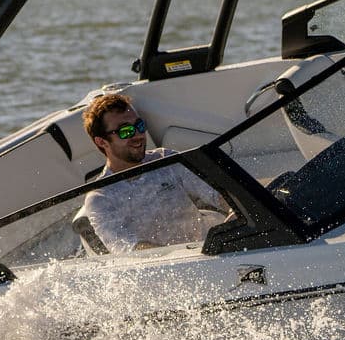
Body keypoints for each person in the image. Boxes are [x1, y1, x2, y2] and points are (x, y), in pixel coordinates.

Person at [72, 92, 228, 252]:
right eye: (126, 131)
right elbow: (129, 249)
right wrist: (178, 255)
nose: (138, 135)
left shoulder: (166, 158)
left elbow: (218, 193)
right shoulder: (100, 198)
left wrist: (235, 211)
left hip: (211, 248)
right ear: (102, 142)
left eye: (139, 126)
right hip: (173, 263)